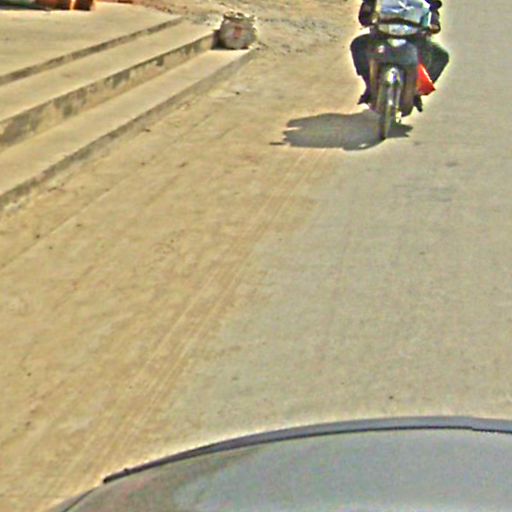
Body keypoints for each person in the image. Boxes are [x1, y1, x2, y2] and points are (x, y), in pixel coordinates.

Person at [350, 0, 449, 111]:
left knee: (441, 56)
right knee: (358, 45)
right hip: (383, 34)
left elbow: (432, 10)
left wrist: (433, 23)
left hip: (413, 36)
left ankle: (416, 90)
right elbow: (367, 7)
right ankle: (370, 84)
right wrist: (367, 15)